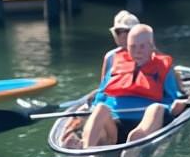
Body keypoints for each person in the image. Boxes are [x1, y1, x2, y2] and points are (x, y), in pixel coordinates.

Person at [79, 22, 189, 149]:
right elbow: (101, 95)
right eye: (133, 46)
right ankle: (87, 153)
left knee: (156, 108)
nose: (137, 52)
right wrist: (91, 108)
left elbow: (172, 98)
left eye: (142, 46)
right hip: (115, 125)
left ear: (151, 46)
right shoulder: (116, 66)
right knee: (101, 108)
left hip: (144, 122)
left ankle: (134, 146)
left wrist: (175, 106)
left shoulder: (164, 68)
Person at [59, 9, 139, 147]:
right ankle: (85, 146)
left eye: (128, 32)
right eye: (119, 32)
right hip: (111, 107)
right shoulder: (110, 57)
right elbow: (105, 86)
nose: (123, 37)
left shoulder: (144, 55)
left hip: (131, 110)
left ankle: (89, 145)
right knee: (91, 109)